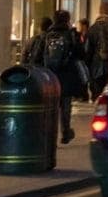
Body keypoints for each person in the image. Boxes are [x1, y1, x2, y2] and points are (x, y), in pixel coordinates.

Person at [37, 9, 88, 144]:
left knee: (51, 106)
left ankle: (49, 134)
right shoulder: (72, 35)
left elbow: (38, 56)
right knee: (66, 105)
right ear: (67, 20)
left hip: (50, 75)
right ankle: (65, 132)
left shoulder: (47, 35)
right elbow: (81, 54)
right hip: (67, 74)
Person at [84, 2, 108, 97]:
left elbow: (87, 51)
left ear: (100, 12)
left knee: (98, 96)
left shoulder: (92, 28)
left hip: (97, 67)